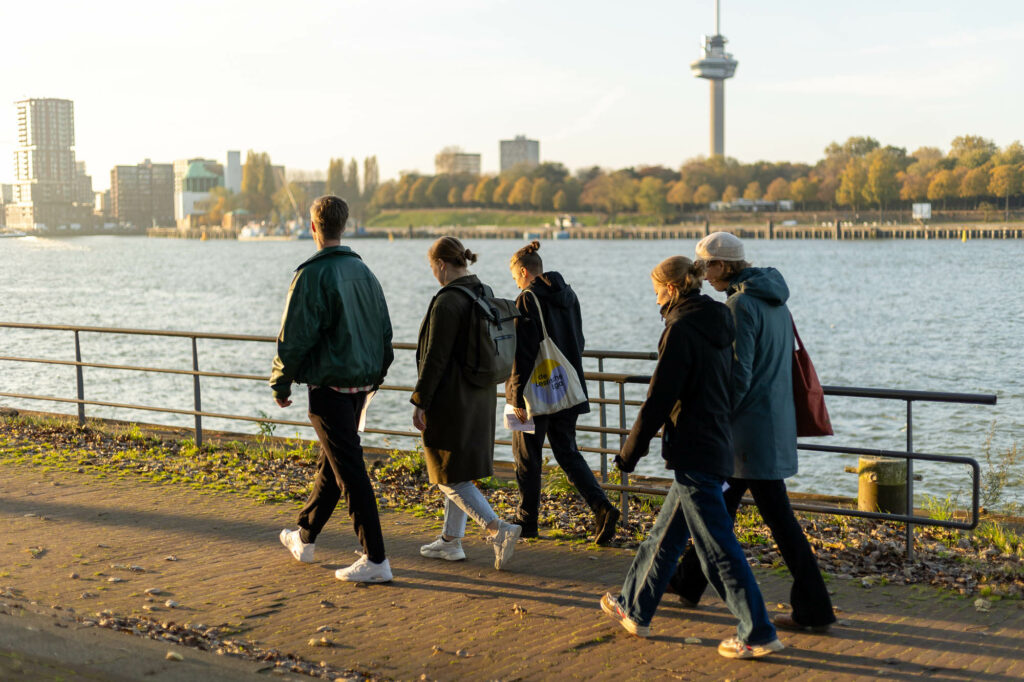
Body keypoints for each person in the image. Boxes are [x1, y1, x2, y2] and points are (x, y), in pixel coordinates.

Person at [599, 256, 783, 659]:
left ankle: (757, 632)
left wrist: (630, 453)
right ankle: (635, 608)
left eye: (657, 292)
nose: (656, 300)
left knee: (718, 548)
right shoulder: (720, 320)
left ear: (673, 289)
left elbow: (659, 398)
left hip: (695, 449)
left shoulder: (680, 330)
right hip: (714, 441)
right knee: (665, 535)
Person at [668, 231, 836, 633]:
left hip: (744, 434)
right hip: (771, 426)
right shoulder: (775, 302)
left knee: (772, 520)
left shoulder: (740, 304)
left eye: (707, 267)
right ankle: (688, 582)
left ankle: (815, 608)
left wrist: (716, 418)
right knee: (722, 510)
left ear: (723, 266)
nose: (704, 276)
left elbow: (738, 373)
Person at [271, 195, 394, 583]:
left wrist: (281, 381)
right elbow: (384, 330)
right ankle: (304, 537)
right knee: (334, 460)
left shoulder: (311, 275)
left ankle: (376, 559)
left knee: (349, 471)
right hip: (361, 383)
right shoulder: (365, 272)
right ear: (344, 225)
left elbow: (294, 336)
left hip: (330, 384)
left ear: (312, 227)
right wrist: (377, 373)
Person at [411, 236, 522, 570]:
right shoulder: (482, 291)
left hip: (451, 398)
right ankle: (450, 541)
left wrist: (420, 400)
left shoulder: (448, 302)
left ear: (442, 265)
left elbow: (435, 357)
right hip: (480, 392)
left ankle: (497, 529)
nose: (435, 274)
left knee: (446, 471)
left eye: (433, 268)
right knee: (457, 468)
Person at [506, 240, 619, 543]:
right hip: (567, 387)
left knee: (526, 455)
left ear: (524, 271)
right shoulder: (569, 295)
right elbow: (578, 341)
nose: (516, 283)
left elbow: (524, 352)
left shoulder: (526, 299)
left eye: (515, 277)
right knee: (567, 452)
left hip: (534, 391)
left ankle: (527, 520)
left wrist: (515, 395)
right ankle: (603, 508)